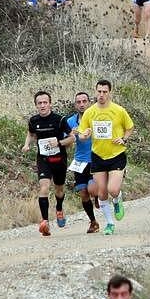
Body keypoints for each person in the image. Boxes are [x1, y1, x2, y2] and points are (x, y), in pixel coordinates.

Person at [78, 80, 134, 236]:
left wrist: (124, 138)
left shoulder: (119, 110)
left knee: (113, 190)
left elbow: (129, 127)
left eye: (104, 92)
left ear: (110, 93)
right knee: (101, 193)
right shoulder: (89, 112)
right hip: (98, 155)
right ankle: (110, 223)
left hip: (116, 155)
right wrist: (85, 135)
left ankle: (117, 199)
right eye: (99, 91)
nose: (101, 95)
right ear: (95, 92)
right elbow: (82, 135)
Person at [22, 90, 72, 236]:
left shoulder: (60, 120)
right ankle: (44, 221)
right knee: (43, 187)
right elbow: (31, 133)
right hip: (43, 159)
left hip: (59, 159)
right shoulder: (33, 120)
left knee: (59, 189)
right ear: (36, 105)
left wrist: (59, 142)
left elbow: (71, 138)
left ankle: (59, 208)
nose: (42, 105)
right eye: (39, 103)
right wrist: (27, 144)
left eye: (45, 102)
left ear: (50, 103)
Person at [65, 91, 99, 234]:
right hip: (79, 161)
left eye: (84, 101)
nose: (81, 104)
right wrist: (71, 136)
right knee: (83, 193)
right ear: (75, 105)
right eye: (78, 102)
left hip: (95, 159)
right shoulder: (70, 122)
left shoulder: (97, 117)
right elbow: (66, 144)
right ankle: (93, 222)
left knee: (91, 189)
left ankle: (98, 195)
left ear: (89, 102)